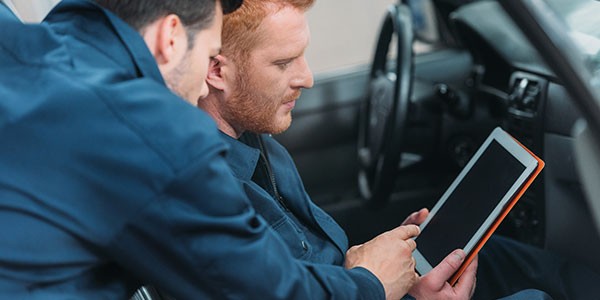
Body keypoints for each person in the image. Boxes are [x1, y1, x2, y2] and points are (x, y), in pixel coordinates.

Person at [0, 0, 426, 299]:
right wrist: (372, 283)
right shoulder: (154, 137)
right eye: (207, 56)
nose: (205, 82)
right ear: (170, 37)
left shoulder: (19, 45)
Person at [198, 0, 600, 299]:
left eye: (303, 55)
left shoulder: (255, 137)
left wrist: (390, 264)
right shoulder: (212, 192)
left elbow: (312, 266)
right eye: (284, 62)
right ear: (217, 71)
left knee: (491, 253)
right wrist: (382, 286)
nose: (307, 78)